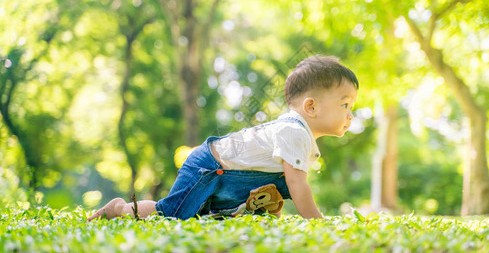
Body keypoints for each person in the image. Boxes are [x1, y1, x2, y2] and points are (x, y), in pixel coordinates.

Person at [87, 55, 359, 221]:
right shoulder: (293, 131)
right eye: (345, 104)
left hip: (224, 173)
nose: (350, 114)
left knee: (203, 216)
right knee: (170, 214)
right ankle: (120, 209)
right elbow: (297, 185)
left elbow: (274, 191)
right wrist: (317, 223)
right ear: (311, 106)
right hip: (209, 168)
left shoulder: (300, 138)